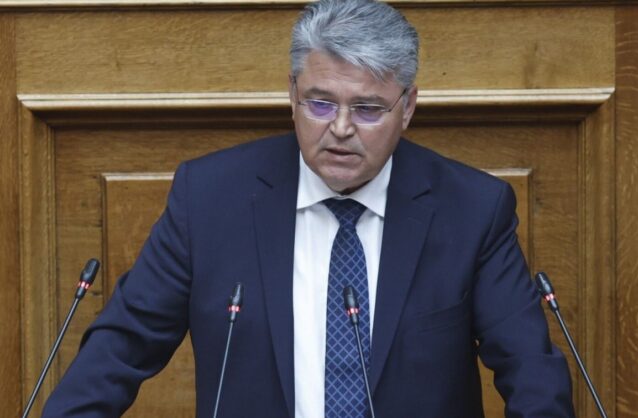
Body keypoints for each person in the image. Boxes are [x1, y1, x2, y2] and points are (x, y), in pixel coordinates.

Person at [43, 0, 575, 416]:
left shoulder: (473, 209)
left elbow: (532, 373)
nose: (340, 128)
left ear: (408, 107)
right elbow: (119, 351)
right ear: (292, 93)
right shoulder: (208, 199)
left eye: (367, 109)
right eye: (321, 103)